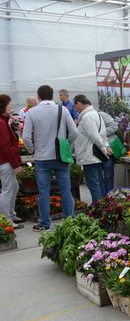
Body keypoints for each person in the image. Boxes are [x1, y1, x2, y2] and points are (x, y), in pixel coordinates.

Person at [23, 85, 78, 232]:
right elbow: (74, 132)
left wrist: (32, 150)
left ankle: (44, 223)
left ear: (38, 96)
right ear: (52, 95)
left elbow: (26, 137)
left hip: (41, 157)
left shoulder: (32, 112)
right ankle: (70, 219)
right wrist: (66, 145)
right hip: (61, 156)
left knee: (43, 191)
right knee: (66, 189)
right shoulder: (62, 110)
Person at [73, 94, 111, 203]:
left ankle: (97, 207)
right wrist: (105, 147)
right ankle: (103, 206)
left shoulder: (87, 117)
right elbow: (102, 135)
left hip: (90, 156)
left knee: (93, 184)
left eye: (75, 105)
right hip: (95, 155)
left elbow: (95, 136)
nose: (75, 108)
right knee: (98, 182)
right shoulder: (95, 114)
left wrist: (104, 149)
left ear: (79, 103)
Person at [0, 94, 24, 229]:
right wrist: (15, 165)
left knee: (14, 187)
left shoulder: (4, 121)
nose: (11, 106)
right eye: (9, 104)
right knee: (7, 190)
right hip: (5, 162)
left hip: (6, 161)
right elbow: (5, 146)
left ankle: (11, 214)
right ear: (2, 106)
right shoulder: (1, 123)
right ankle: (6, 220)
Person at [98, 111, 119, 194]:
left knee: (108, 175)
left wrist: (100, 134)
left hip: (108, 149)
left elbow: (114, 126)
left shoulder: (101, 114)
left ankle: (109, 197)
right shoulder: (84, 118)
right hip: (96, 151)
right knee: (99, 177)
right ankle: (102, 197)